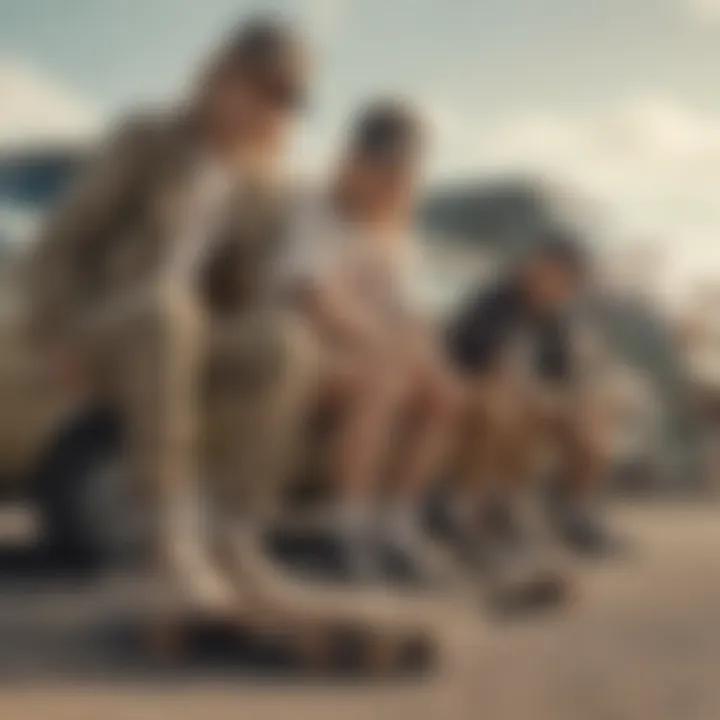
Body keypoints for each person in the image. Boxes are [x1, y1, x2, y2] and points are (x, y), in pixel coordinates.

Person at [29, 18, 318, 619]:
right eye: (255, 87)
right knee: (167, 310)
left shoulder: (258, 186)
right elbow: (58, 246)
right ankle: (163, 543)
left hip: (182, 335)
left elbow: (249, 294)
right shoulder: (147, 140)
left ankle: (232, 537)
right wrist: (58, 338)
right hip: (108, 321)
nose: (265, 107)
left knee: (286, 344)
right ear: (216, 77)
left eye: (282, 99)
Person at [276, 100, 458, 584]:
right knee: (384, 379)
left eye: (402, 174)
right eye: (383, 170)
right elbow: (313, 300)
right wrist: (382, 342)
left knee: (441, 391)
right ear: (355, 162)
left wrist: (423, 354)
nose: (391, 184)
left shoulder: (397, 237)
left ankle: (396, 525)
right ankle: (342, 530)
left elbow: (412, 316)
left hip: (369, 355)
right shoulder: (317, 212)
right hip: (306, 349)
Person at [446, 232, 615, 569]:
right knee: (515, 408)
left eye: (567, 279)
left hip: (527, 394)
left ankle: (577, 510)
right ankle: (482, 521)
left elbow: (568, 373)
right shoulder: (495, 302)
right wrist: (544, 392)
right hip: (475, 390)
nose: (555, 284)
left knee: (590, 411)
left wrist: (576, 396)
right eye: (551, 272)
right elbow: (490, 363)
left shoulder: (555, 316)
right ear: (532, 267)